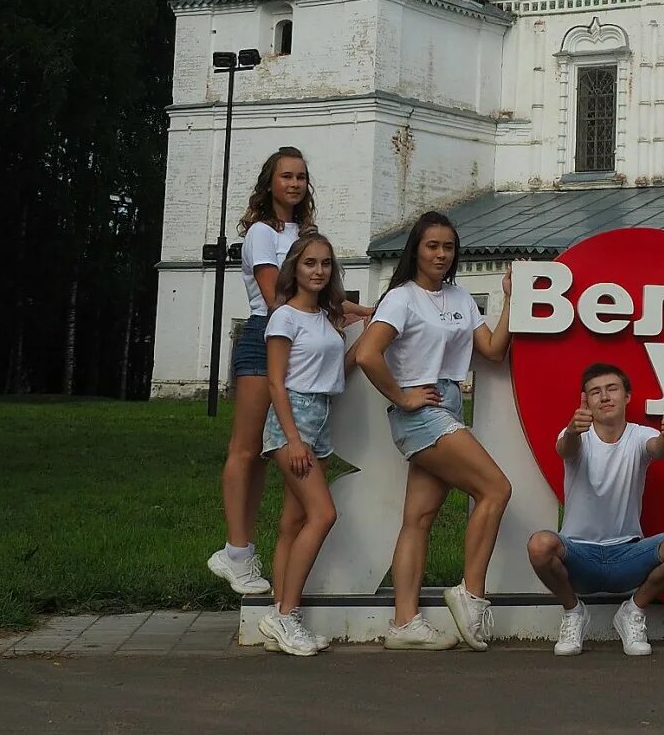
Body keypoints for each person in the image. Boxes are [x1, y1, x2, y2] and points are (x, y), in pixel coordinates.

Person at [354, 212, 514, 651]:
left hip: (447, 404)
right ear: (416, 250)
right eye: (432, 246)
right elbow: (368, 353)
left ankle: (404, 624)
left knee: (418, 519)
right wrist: (402, 396)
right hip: (422, 411)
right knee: (496, 489)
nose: (441, 254)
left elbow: (494, 352)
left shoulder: (461, 297)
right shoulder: (401, 298)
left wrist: (511, 299)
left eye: (448, 247)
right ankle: (471, 593)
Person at [526, 363, 664, 657]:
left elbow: (658, 448)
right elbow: (566, 448)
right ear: (587, 401)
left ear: (627, 397)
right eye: (595, 392)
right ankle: (573, 612)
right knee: (540, 545)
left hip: (627, 556)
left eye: (611, 389)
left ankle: (633, 611)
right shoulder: (576, 435)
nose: (604, 397)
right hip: (579, 557)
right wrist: (571, 431)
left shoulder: (640, 435)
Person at [208, 146, 312, 597]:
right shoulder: (260, 235)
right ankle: (234, 551)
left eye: (301, 177)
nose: (294, 183)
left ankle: (245, 551)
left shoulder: (306, 233)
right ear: (269, 182)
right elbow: (276, 298)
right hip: (263, 338)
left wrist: (362, 310)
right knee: (246, 450)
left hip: (298, 344)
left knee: (270, 457)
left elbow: (318, 291)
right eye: (286, 176)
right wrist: (324, 314)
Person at [256, 232, 358, 656]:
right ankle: (286, 616)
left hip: (318, 419)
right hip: (291, 423)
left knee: (292, 524)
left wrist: (369, 333)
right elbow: (276, 383)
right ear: (294, 268)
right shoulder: (285, 318)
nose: (318, 271)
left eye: (326, 264)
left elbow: (336, 372)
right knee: (323, 513)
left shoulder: (324, 319)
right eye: (310, 263)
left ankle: (279, 612)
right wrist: (294, 439)